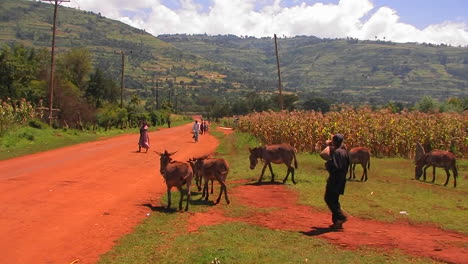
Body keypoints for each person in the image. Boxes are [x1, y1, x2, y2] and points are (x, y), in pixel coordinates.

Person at [324, 134, 349, 229]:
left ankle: (341, 217)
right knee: (335, 200)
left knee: (328, 198)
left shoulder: (337, 153)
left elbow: (336, 166)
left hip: (335, 179)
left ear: (335, 142)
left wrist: (328, 165)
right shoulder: (344, 152)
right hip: (342, 179)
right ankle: (337, 223)